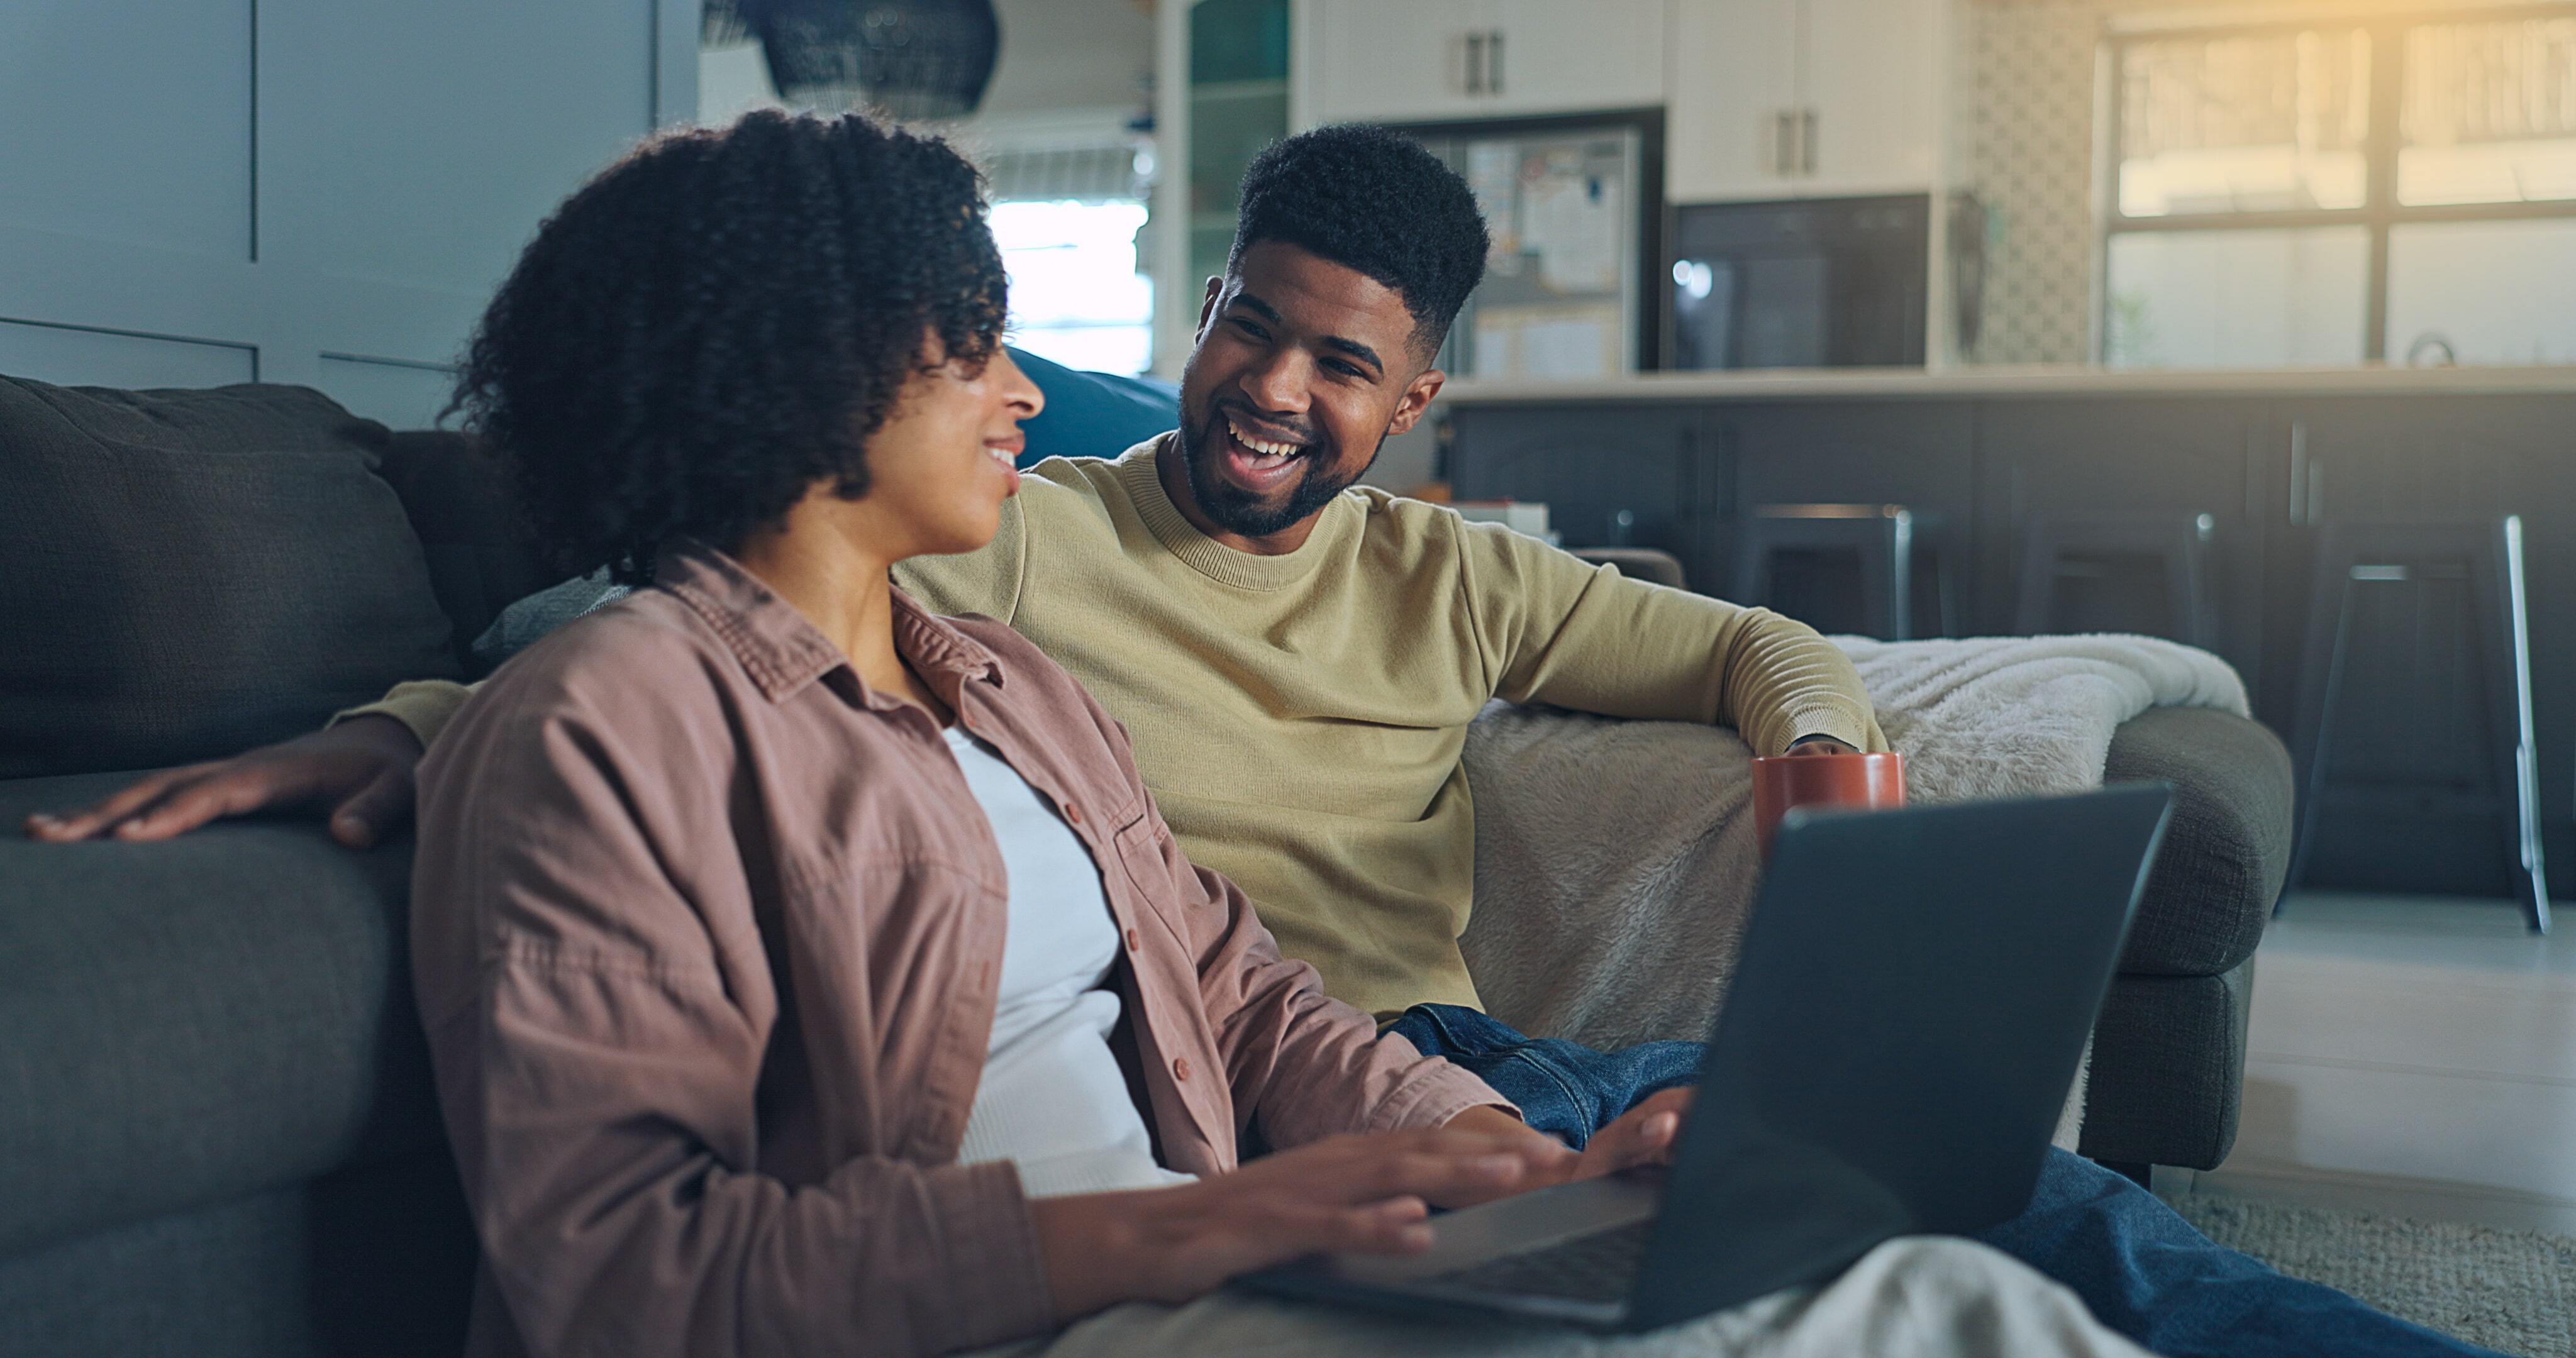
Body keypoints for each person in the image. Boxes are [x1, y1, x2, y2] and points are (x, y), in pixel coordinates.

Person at [30, 126, 2500, 1358]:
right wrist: (378, 730)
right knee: (1911, 1302)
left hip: (1340, 1154)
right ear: (813, 381)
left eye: (1346, 363)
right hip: (1160, 1269)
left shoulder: (997, 680)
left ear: (1417, 402)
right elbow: (621, 1254)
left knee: (1975, 1262)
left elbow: (1234, 988)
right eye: (971, 344)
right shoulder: (663, 700)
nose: (1044, 387)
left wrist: (1482, 1143)